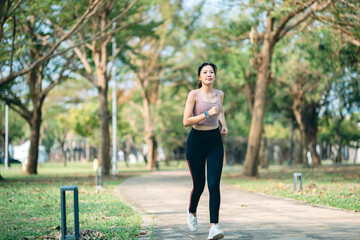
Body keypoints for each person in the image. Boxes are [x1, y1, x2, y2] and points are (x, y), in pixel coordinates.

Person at [183, 62, 229, 240]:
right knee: (199, 185)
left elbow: (220, 110)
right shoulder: (193, 95)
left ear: (215, 76)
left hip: (214, 142)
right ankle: (192, 211)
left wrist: (223, 124)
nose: (209, 74)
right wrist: (207, 114)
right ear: (199, 77)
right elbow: (186, 121)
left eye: (211, 72)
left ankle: (214, 227)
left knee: (213, 184)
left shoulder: (220, 94)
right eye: (205, 72)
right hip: (196, 143)